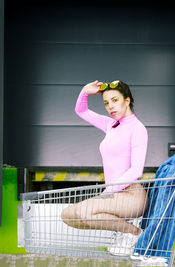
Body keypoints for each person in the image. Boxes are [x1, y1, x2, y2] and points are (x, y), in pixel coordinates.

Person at [61, 80, 149, 256]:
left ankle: (134, 234)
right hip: (115, 195)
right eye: (106, 103)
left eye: (115, 100)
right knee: (68, 215)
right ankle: (121, 231)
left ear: (127, 100)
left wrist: (109, 191)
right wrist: (85, 91)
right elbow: (81, 111)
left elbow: (136, 170)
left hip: (131, 195)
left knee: (84, 213)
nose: (110, 107)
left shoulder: (138, 129)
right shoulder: (111, 125)